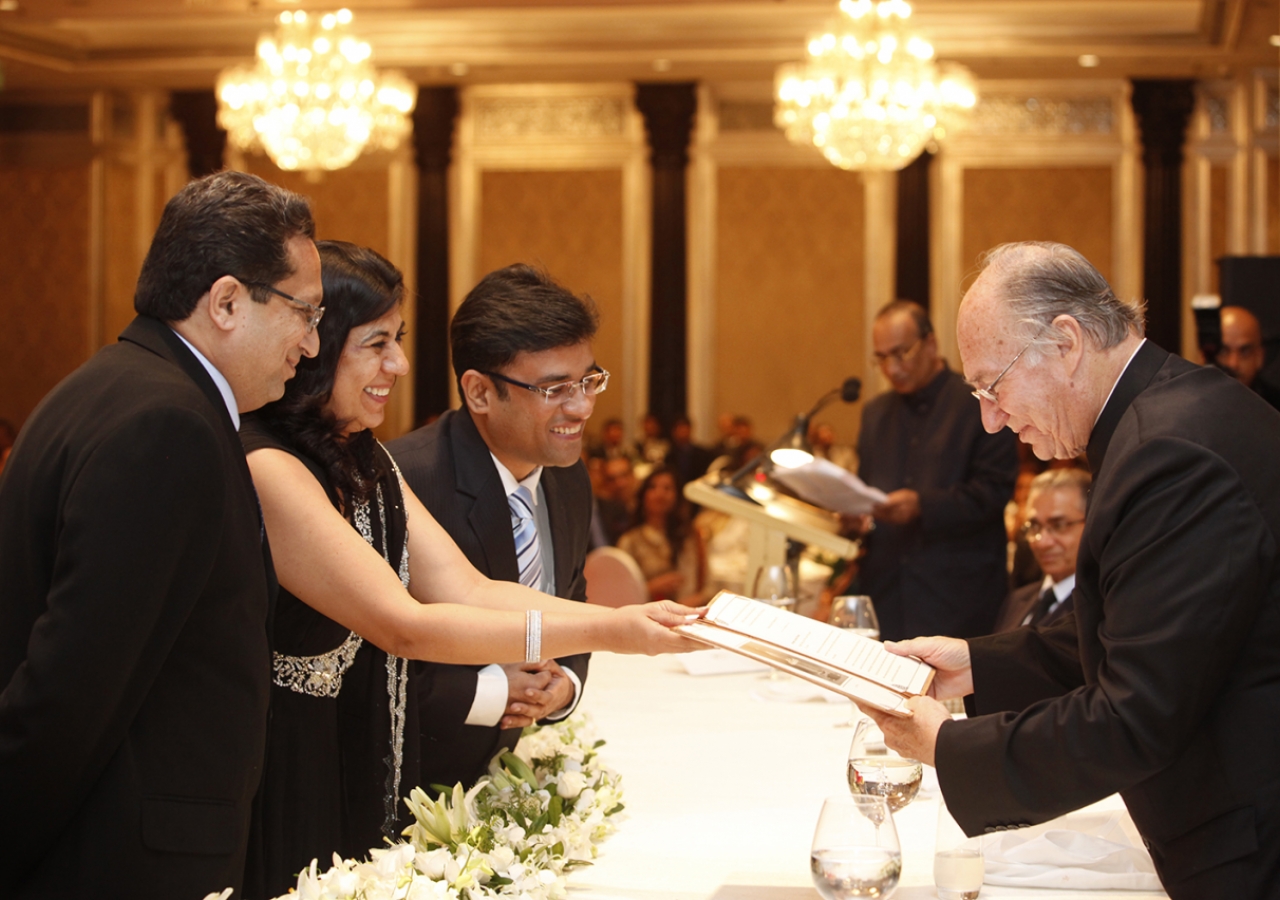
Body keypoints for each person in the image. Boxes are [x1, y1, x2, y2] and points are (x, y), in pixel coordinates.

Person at [242, 244, 694, 897]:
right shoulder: (271, 465)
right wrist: (618, 633)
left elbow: (470, 589)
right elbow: (405, 627)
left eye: (396, 341)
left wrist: (623, 621)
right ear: (313, 341)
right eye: (376, 344)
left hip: (360, 754)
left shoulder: (362, 454)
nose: (398, 364)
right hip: (286, 758)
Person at [868, 241, 1280, 899]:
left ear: (1066, 343)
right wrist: (978, 665)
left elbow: (1137, 712)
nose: (991, 419)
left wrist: (947, 749)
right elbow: (1146, 624)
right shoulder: (1169, 414)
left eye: (992, 387)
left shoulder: (1168, 455)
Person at [0, 171, 319, 898]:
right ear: (229, 301)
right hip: (124, 858)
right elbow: (73, 688)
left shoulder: (111, 386)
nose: (311, 343)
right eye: (305, 312)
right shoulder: (167, 425)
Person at [387, 263, 599, 794]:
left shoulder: (567, 478)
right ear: (479, 392)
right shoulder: (404, 481)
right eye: (554, 389)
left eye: (589, 380)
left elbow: (571, 594)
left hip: (503, 773)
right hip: (412, 784)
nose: (581, 406)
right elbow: (375, 658)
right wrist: (489, 692)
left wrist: (565, 682)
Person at [853, 300, 1019, 640]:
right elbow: (864, 487)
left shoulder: (980, 404)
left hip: (956, 598)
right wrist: (854, 512)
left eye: (901, 353)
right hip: (887, 595)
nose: (892, 368)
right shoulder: (875, 414)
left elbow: (994, 492)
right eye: (882, 358)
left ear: (931, 344)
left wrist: (922, 506)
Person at [992, 467, 1089, 632]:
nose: (1042, 542)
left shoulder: (1101, 607)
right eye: (1034, 526)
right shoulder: (1018, 599)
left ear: (1092, 524)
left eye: (1059, 525)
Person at [617, 467, 706, 605]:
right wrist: (650, 587)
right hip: (644, 612)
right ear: (643, 495)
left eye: (667, 488)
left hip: (687, 611)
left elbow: (703, 584)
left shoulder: (689, 535)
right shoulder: (630, 540)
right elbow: (619, 591)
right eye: (653, 487)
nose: (659, 494)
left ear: (677, 496)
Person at [1214, 304, 1280, 410]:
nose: (1233, 364)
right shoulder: (1188, 404)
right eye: (1223, 351)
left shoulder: (1275, 408)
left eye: (1244, 352)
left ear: (1260, 356)